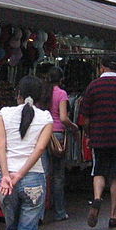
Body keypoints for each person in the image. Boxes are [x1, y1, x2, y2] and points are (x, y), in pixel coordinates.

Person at [0, 75, 54, 230]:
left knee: (11, 227)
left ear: (18, 94)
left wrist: (7, 175)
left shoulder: (3, 114)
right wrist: (20, 174)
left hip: (5, 178)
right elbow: (39, 150)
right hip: (33, 180)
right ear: (39, 97)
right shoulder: (45, 118)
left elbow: (0, 145)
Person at [80, 55, 116, 228]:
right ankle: (113, 215)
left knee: (99, 171)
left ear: (102, 67)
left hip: (99, 135)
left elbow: (86, 116)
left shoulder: (93, 86)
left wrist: (89, 133)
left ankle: (97, 198)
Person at [36, 64, 77, 221]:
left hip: (42, 135)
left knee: (44, 173)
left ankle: (39, 213)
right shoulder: (61, 94)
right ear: (61, 79)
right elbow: (64, 117)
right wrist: (73, 127)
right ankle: (59, 212)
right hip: (57, 134)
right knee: (58, 176)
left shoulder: (42, 92)